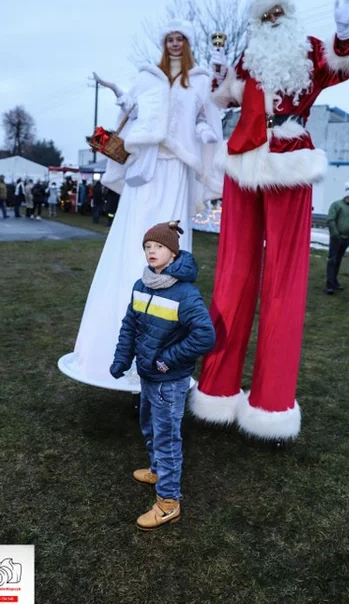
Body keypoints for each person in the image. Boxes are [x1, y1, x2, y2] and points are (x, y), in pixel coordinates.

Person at [189, 0, 349, 441]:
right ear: (257, 22)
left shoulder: (308, 50)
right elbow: (224, 97)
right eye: (264, 14)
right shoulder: (248, 58)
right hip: (243, 161)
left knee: (284, 281)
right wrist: (220, 73)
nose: (272, 18)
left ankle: (271, 403)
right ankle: (217, 389)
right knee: (232, 276)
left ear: (288, 14)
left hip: (289, 159)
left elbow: (340, 66)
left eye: (278, 11)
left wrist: (343, 32)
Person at [59, 20, 222, 391]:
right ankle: (110, 348)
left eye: (181, 38)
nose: (176, 43)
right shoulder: (148, 77)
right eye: (170, 38)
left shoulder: (199, 81)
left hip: (178, 171)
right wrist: (118, 91)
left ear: (188, 43)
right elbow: (132, 112)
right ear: (164, 43)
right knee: (134, 242)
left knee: (172, 240)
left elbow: (208, 119)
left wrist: (204, 133)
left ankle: (164, 348)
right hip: (146, 173)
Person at [110, 221, 215, 530]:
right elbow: (130, 325)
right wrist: (121, 358)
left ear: (173, 252)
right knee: (149, 427)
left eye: (158, 247)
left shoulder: (186, 294)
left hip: (169, 381)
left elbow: (205, 336)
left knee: (167, 439)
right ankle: (156, 469)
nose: (151, 251)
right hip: (147, 376)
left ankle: (168, 502)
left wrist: (167, 360)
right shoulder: (141, 285)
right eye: (147, 247)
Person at [326, 182, 349, 294]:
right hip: (336, 238)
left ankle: (334, 281)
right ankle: (329, 284)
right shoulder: (336, 205)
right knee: (332, 260)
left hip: (346, 239)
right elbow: (331, 220)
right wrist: (335, 234)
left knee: (338, 260)